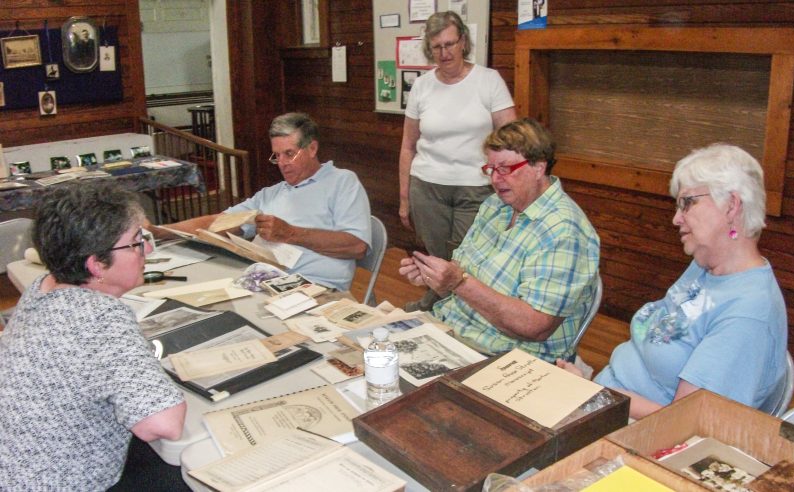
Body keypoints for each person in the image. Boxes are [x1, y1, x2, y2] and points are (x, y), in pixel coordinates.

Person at [557, 143, 788, 419]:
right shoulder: (705, 266)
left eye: (687, 203)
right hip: (606, 401)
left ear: (732, 206)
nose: (676, 218)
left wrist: (593, 394)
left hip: (636, 432)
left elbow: (685, 421)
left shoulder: (749, 312)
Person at [0, 182, 187, 489]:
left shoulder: (44, 285)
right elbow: (164, 424)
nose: (148, 250)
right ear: (97, 264)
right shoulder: (100, 317)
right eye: (136, 242)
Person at [400, 118, 600, 362]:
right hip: (452, 332)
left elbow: (535, 326)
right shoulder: (496, 206)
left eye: (505, 169)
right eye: (490, 169)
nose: (495, 179)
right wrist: (436, 279)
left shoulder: (564, 231)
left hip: (506, 358)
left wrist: (458, 282)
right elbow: (464, 280)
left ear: (539, 167)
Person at [160, 112, 371, 291]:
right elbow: (219, 221)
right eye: (277, 156)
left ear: (312, 149)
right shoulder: (272, 193)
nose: (282, 164)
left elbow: (357, 246)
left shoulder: (341, 182)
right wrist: (160, 231)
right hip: (266, 281)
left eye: (289, 154)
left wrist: (290, 234)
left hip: (315, 286)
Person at [399, 10, 517, 311]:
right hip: (427, 186)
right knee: (437, 256)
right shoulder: (423, 87)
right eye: (437, 47)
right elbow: (408, 146)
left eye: (450, 44)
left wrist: (509, 186)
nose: (445, 52)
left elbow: (512, 140)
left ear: (463, 41)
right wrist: (404, 197)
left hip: (476, 187)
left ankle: (458, 310)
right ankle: (439, 306)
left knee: (467, 257)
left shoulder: (488, 81)